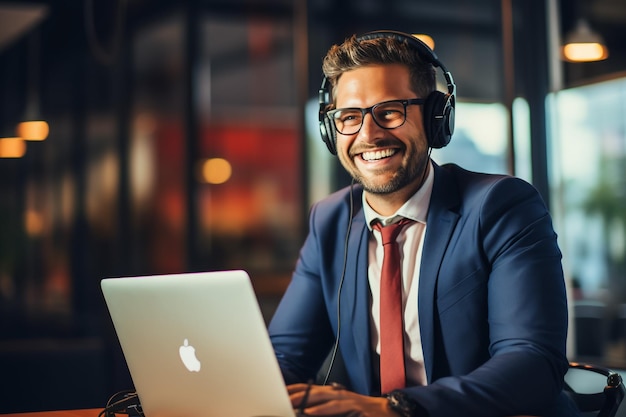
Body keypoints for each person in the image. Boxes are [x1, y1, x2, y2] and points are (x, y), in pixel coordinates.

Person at [268, 30, 578, 417]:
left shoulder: (501, 206)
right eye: (349, 117)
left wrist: (396, 409)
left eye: (390, 111)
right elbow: (284, 356)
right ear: (332, 131)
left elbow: (532, 361)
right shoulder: (330, 221)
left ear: (435, 118)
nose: (368, 134)